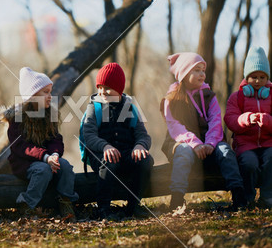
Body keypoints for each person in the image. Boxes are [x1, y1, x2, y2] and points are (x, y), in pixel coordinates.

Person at [160, 52, 247, 211]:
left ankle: (238, 194)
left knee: (226, 151)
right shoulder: (172, 99)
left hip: (209, 144)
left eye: (203, 70)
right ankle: (177, 198)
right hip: (181, 142)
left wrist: (210, 143)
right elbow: (174, 126)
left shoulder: (209, 96)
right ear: (185, 74)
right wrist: (195, 143)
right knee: (184, 152)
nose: (202, 74)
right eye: (196, 70)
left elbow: (215, 121)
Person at [1, 67, 78, 220]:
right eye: (45, 92)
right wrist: (45, 157)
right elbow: (21, 147)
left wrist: (54, 155)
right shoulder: (17, 118)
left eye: (50, 91)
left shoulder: (49, 114)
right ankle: (27, 204)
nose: (50, 96)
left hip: (47, 158)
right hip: (25, 162)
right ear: (32, 96)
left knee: (66, 167)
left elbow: (55, 138)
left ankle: (65, 201)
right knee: (43, 170)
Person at [82, 62, 153, 219]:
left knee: (146, 160)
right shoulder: (94, 108)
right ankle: (103, 209)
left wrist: (140, 146)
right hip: (100, 154)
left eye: (107, 87)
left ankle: (133, 206)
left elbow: (143, 134)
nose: (102, 91)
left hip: (126, 152)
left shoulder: (130, 109)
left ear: (119, 89)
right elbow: (89, 135)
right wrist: (105, 146)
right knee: (109, 162)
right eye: (99, 87)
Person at [224, 46, 272, 209]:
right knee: (249, 163)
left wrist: (266, 121)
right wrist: (247, 119)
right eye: (253, 77)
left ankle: (268, 197)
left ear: (267, 78)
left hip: (268, 143)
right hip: (246, 145)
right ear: (246, 77)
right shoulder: (237, 97)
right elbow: (230, 119)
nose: (258, 81)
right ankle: (248, 198)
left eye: (261, 77)